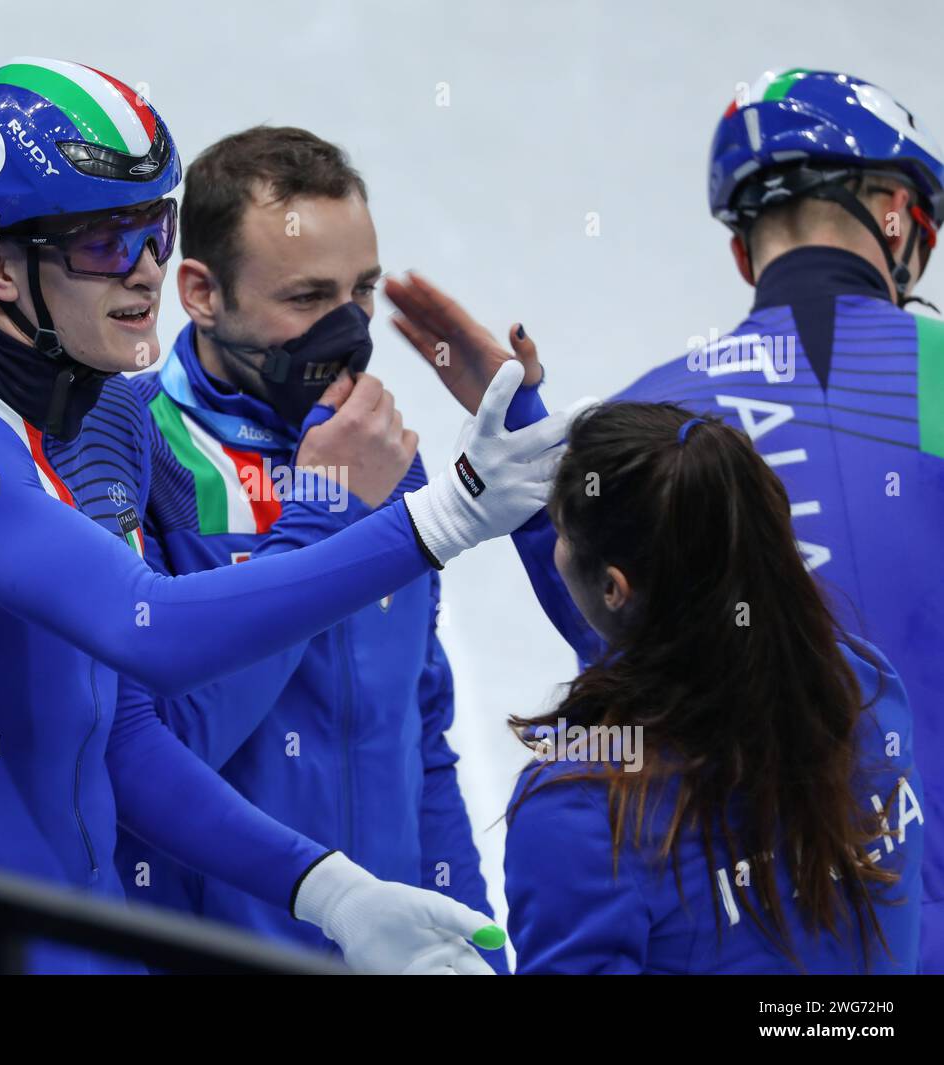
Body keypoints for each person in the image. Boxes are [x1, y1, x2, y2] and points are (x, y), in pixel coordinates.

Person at [0, 56, 571, 975]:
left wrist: (331, 889)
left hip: (93, 946)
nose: (146, 272)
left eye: (154, 229)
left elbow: (120, 737)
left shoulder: (110, 421)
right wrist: (447, 513)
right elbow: (153, 631)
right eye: (101, 244)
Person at [388, 67, 944, 972]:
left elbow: (636, 643)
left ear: (741, 251)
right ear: (893, 211)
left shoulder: (662, 417)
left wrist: (536, 444)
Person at [112, 127, 506, 972]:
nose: (346, 328)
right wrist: (324, 507)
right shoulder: (132, 458)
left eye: (361, 290)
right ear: (202, 292)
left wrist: (469, 933)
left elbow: (421, 736)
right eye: (306, 297)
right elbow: (168, 743)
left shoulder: (385, 456)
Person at [503, 401, 924, 973]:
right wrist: (530, 420)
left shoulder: (581, 811)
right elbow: (672, 631)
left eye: (559, 530)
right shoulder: (858, 684)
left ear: (614, 586)